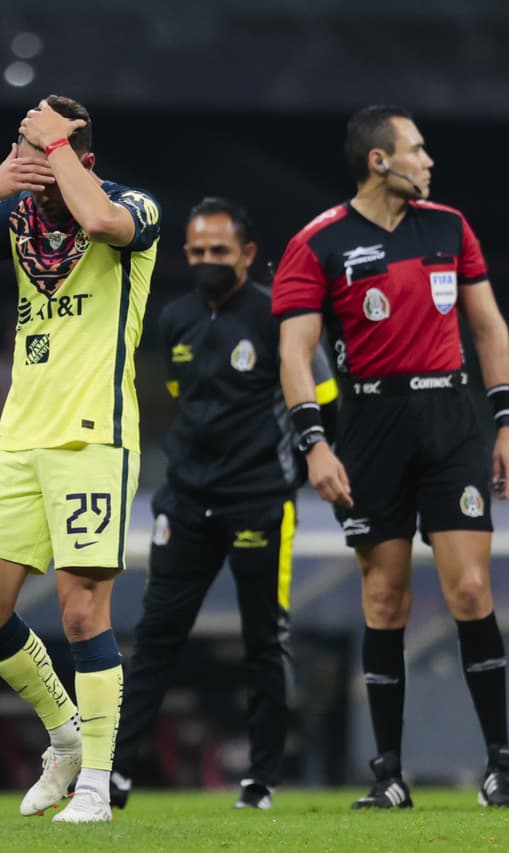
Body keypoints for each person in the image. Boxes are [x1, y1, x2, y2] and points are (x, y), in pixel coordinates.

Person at [271, 105, 509, 809]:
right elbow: (294, 352)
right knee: (385, 598)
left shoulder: (450, 227)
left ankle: (500, 767)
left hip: (450, 421)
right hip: (370, 427)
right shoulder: (317, 243)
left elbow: (489, 327)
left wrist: (507, 422)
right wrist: (314, 444)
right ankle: (388, 775)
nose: (429, 161)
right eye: (417, 149)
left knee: (470, 589)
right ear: (378, 161)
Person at [0, 94, 160, 823]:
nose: (37, 176)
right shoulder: (18, 216)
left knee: (83, 612)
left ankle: (96, 786)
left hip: (92, 436)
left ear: (81, 157)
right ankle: (65, 736)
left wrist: (55, 148)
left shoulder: (134, 207)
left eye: (48, 159)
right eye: (27, 159)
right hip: (20, 439)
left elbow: (102, 222)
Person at [109, 198, 338, 812]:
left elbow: (325, 399)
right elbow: (184, 395)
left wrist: (305, 464)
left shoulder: (279, 316)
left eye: (220, 251)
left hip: (259, 500)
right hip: (185, 500)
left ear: (248, 254)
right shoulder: (175, 318)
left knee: (265, 640)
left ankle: (260, 780)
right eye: (198, 251)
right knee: (155, 637)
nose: (207, 260)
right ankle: (116, 774)